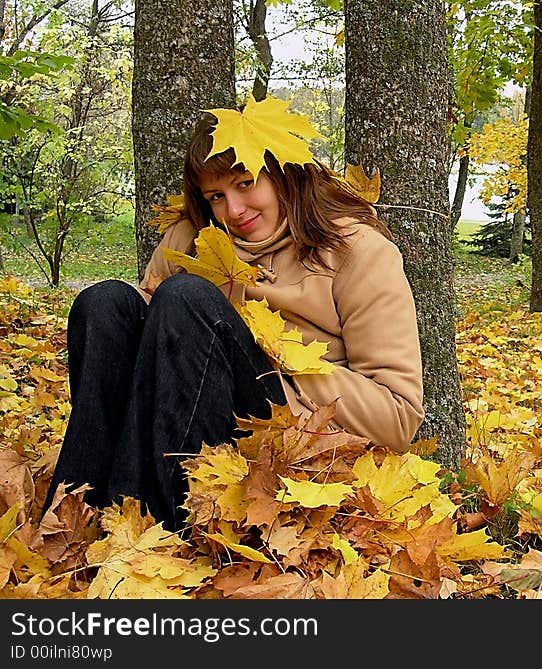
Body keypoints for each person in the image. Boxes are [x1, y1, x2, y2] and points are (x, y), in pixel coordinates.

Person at [44, 98, 425, 531]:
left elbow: (398, 416)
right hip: (184, 403)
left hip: (286, 428)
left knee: (187, 297)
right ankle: (73, 512)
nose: (234, 210)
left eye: (245, 183)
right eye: (217, 197)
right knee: (104, 303)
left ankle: (158, 529)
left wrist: (269, 346)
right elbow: (143, 328)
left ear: (285, 172)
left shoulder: (357, 252)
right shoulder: (193, 238)